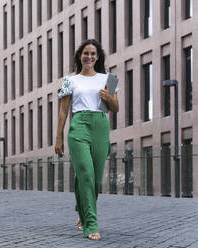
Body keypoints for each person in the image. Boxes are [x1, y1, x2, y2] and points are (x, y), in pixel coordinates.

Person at [55, 39, 119, 241]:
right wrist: (58, 137)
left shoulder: (109, 78)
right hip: (79, 125)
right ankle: (90, 223)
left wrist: (108, 98)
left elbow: (115, 108)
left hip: (101, 125)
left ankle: (81, 210)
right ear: (79, 57)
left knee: (94, 178)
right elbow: (64, 111)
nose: (89, 57)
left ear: (97, 57)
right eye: (85, 53)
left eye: (93, 53)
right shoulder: (70, 80)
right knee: (86, 173)